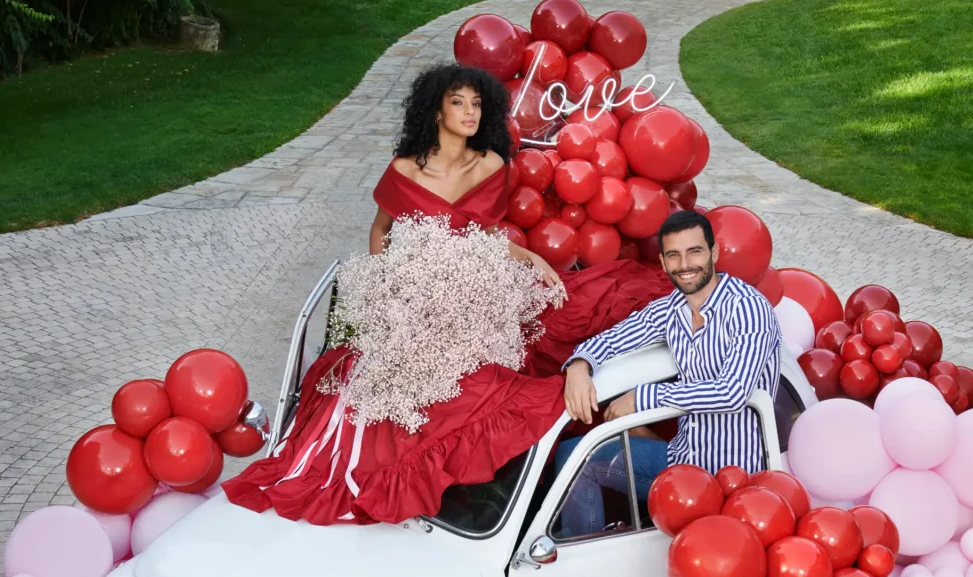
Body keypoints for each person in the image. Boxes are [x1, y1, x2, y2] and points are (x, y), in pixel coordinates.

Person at [222, 63, 671, 526]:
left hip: (478, 291)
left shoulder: (492, 165)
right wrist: (387, 286)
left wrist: (530, 257)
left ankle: (635, 430)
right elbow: (380, 232)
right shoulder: (404, 169)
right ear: (436, 111)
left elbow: (483, 235)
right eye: (458, 102)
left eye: (476, 103)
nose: (470, 112)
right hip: (415, 296)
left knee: (586, 310)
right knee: (424, 389)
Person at [563, 209, 781, 483]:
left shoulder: (748, 308)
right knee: (572, 458)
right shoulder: (670, 309)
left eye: (694, 252)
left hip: (735, 478)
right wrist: (579, 365)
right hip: (681, 463)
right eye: (674, 255)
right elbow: (611, 339)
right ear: (663, 263)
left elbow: (732, 393)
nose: (685, 264)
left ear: (713, 253)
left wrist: (642, 397)